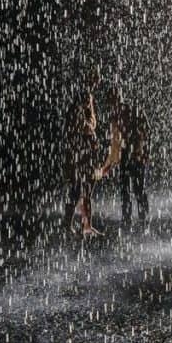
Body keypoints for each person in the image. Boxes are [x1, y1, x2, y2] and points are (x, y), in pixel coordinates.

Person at [62, 68, 105, 237]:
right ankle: (78, 226)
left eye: (97, 79)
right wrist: (89, 131)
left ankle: (81, 225)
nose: (96, 82)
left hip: (81, 150)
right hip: (81, 150)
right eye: (94, 79)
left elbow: (84, 122)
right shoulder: (83, 96)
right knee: (81, 188)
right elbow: (81, 122)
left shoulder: (85, 95)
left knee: (81, 188)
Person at [118, 102, 149, 226]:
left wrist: (146, 151)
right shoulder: (121, 113)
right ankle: (129, 217)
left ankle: (141, 217)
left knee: (138, 189)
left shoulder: (135, 111)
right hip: (128, 154)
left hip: (136, 155)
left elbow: (148, 131)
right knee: (128, 189)